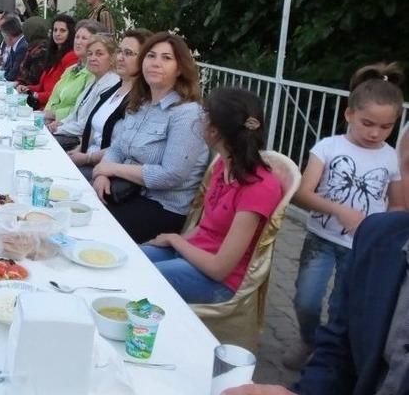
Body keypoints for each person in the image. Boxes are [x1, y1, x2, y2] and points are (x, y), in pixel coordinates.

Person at [283, 63, 405, 369]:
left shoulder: (392, 158)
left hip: (361, 247)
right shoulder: (328, 147)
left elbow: (397, 207)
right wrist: (340, 211)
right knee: (306, 300)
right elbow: (301, 194)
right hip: (320, 240)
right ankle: (309, 339)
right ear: (349, 114)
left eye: (386, 127)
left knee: (341, 307)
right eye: (368, 123)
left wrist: (382, 239)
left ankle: (325, 358)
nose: (375, 133)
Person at [223, 210, 409, 395]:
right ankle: (307, 340)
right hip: (326, 237)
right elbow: (339, 350)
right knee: (308, 300)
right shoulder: (381, 235)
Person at [141, 87, 282, 303]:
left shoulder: (258, 187)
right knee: (132, 260)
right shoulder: (224, 166)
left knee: (141, 279)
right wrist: (176, 243)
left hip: (220, 281)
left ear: (214, 130)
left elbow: (219, 268)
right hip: (194, 254)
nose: (199, 120)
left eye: (204, 114)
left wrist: (174, 240)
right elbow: (207, 227)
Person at [92, 32, 209, 244]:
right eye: (151, 56)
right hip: (124, 192)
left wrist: (112, 169)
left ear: (180, 69)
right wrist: (102, 175)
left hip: (162, 207)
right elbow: (117, 148)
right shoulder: (141, 103)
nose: (155, 63)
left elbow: (171, 175)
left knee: (93, 227)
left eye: (166, 58)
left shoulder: (188, 114)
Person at [69, 28, 153, 178]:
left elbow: (123, 148)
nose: (120, 57)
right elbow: (92, 131)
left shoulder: (142, 99)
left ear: (145, 59)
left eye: (128, 53)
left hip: (105, 170)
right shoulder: (114, 89)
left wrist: (87, 158)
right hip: (87, 160)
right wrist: (78, 151)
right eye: (119, 51)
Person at [48, 20, 106, 151]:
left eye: (84, 38)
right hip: (58, 123)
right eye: (77, 37)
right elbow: (54, 97)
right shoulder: (71, 69)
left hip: (73, 135)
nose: (78, 41)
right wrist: (45, 115)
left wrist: (54, 117)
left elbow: (79, 110)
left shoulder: (94, 75)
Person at [17, 14, 77, 110]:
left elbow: (62, 92)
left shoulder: (71, 56)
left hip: (52, 109)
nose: (57, 34)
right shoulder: (53, 53)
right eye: (55, 30)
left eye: (62, 30)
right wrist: (27, 88)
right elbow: (42, 86)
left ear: (70, 33)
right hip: (41, 104)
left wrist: (36, 95)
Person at [15, 16, 50, 86]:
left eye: (25, 32)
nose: (24, 35)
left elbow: (34, 78)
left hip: (33, 88)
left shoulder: (42, 50)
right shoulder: (34, 46)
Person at [0, 16, 27, 82]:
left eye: (4, 37)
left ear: (9, 36)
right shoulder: (15, 44)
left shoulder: (22, 47)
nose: (4, 40)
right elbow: (7, 67)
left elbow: (13, 75)